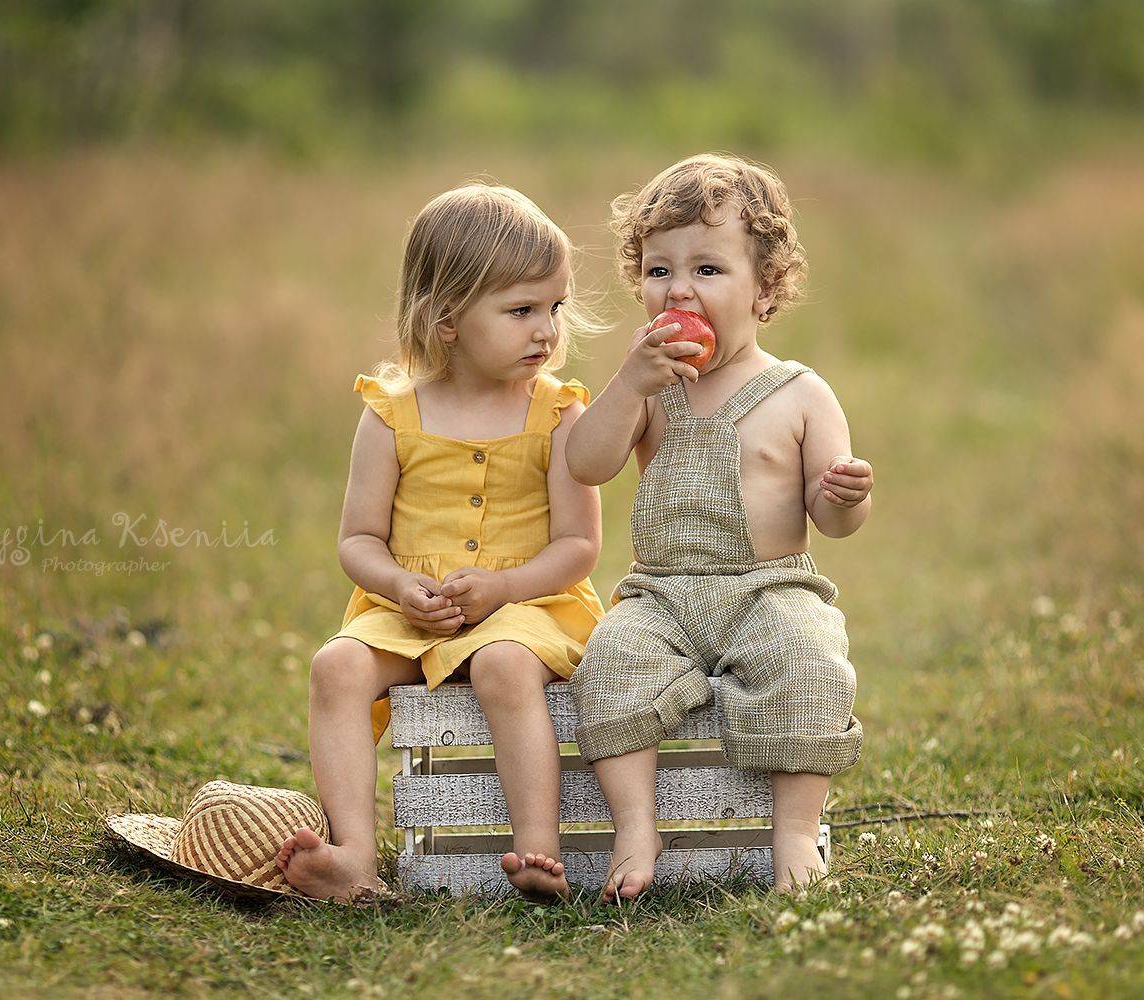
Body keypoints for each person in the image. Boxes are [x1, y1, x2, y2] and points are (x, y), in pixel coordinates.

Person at [276, 182, 605, 902]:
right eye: (520, 311)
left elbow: (579, 545)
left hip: (534, 604)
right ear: (447, 318)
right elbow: (359, 539)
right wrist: (398, 587)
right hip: (414, 606)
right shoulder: (391, 414)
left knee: (504, 666)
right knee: (336, 667)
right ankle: (354, 856)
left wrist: (506, 589)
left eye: (555, 306)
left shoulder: (559, 413)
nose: (546, 330)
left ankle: (538, 852)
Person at [566, 153, 872, 899]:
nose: (678, 289)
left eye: (707, 269)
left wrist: (846, 494)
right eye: (658, 270)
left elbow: (832, 521)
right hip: (662, 594)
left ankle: (795, 834)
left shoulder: (799, 393)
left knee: (810, 662)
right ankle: (636, 825)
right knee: (609, 662)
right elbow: (586, 462)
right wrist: (628, 383)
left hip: (769, 590)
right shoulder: (647, 381)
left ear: (764, 289)